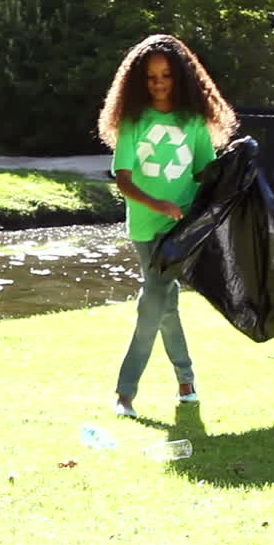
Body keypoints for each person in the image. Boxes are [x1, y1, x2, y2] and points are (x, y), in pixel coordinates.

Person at [96, 34, 238, 418]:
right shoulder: (133, 121)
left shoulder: (193, 121)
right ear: (138, 81)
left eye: (166, 76)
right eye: (151, 77)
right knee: (163, 303)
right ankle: (185, 383)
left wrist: (235, 169)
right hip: (146, 225)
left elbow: (204, 173)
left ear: (182, 77)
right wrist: (157, 203)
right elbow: (123, 180)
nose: (159, 83)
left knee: (155, 301)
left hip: (182, 228)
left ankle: (126, 393)